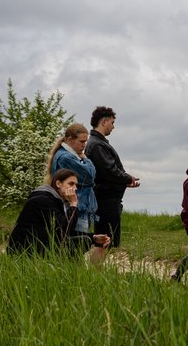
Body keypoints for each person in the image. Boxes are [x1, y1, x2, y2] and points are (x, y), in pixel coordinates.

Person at [7, 168, 111, 256]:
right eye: (71, 184)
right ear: (58, 183)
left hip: (37, 246)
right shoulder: (43, 200)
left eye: (76, 185)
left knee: (84, 240)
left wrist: (93, 238)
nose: (75, 188)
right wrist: (73, 204)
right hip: (24, 251)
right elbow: (63, 231)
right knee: (82, 242)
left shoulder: (54, 200)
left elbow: (65, 230)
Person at [45, 123, 105, 264]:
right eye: (81, 141)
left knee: (75, 247)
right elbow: (89, 176)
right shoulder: (66, 157)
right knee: (74, 249)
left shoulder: (69, 156)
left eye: (86, 141)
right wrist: (85, 159)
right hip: (75, 208)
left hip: (79, 209)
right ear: (70, 140)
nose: (84, 145)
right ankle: (72, 277)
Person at [85, 106, 139, 250]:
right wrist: (128, 179)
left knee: (107, 240)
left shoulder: (98, 143)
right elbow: (110, 170)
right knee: (105, 241)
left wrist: (125, 181)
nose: (113, 127)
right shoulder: (97, 145)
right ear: (103, 121)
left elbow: (108, 173)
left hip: (106, 199)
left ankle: (95, 271)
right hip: (105, 201)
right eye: (112, 123)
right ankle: (95, 271)